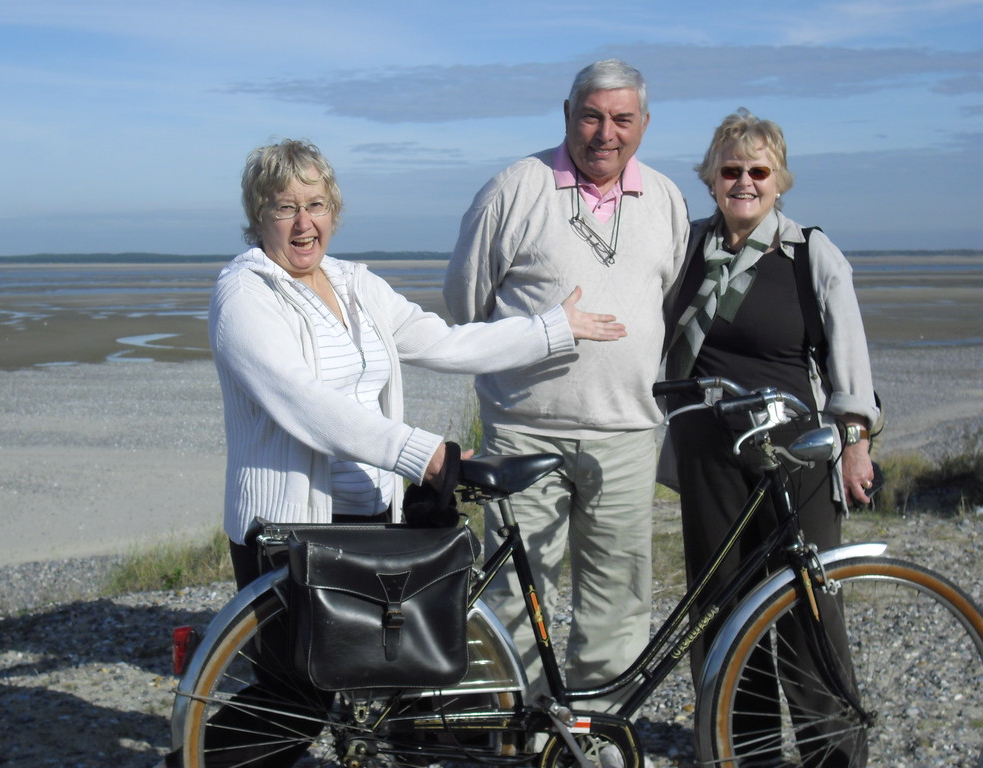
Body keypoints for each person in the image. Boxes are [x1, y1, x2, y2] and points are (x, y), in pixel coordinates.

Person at [204, 138, 626, 767]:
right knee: (298, 693)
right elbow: (305, 402)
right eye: (283, 207)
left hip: (370, 521)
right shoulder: (245, 293)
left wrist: (550, 330)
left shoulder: (353, 284)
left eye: (315, 204)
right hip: (288, 528)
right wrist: (420, 453)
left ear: (334, 210)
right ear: (257, 216)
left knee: (377, 682)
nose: (302, 223)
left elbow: (443, 342)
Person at [443, 59, 689, 709]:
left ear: (643, 125)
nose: (605, 133)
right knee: (515, 597)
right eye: (591, 116)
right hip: (524, 431)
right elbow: (465, 305)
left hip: (629, 432)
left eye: (621, 119)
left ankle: (594, 730)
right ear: (567, 115)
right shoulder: (513, 190)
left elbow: (666, 295)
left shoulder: (665, 198)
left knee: (618, 598)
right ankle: (511, 726)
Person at [663, 109, 879, 764]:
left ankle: (832, 754)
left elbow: (849, 361)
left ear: (779, 179)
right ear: (710, 178)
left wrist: (857, 444)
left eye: (759, 171)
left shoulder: (811, 252)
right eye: (731, 170)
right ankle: (743, 750)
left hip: (796, 457)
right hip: (710, 460)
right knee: (725, 611)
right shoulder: (685, 249)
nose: (745, 182)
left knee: (807, 612)